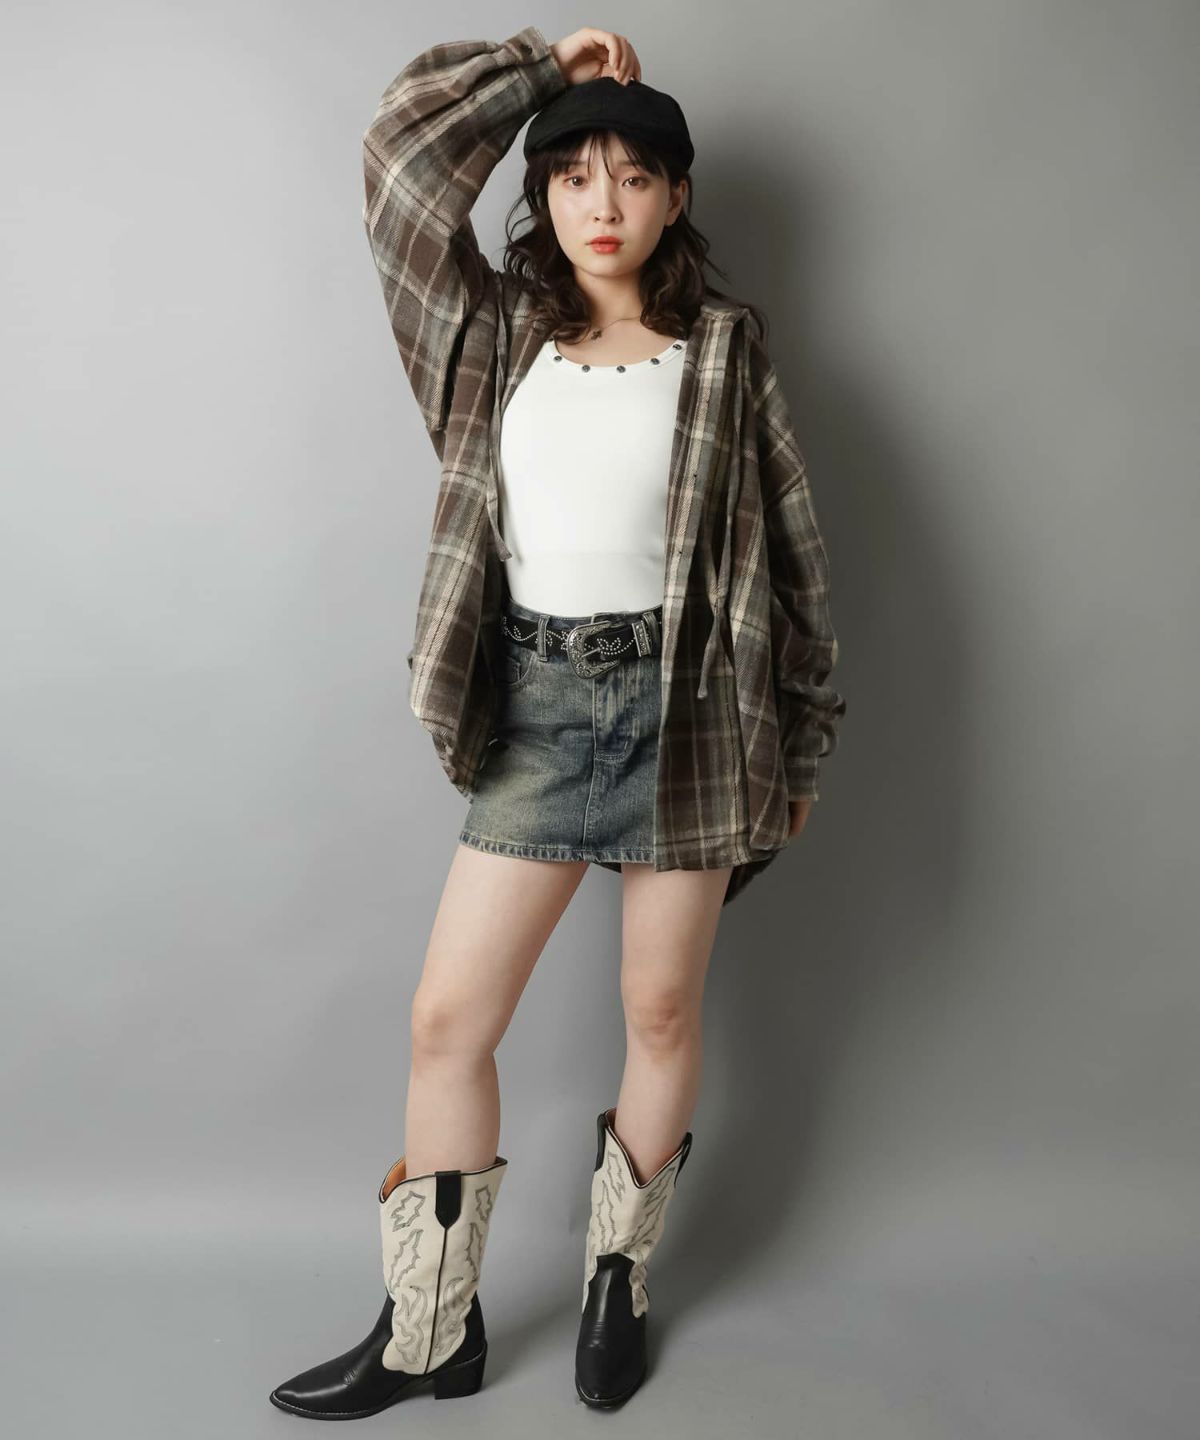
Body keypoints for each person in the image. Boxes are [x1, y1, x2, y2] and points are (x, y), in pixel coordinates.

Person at [269, 23, 845, 1420]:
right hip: (537, 709)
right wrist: (541, 67)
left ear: (675, 198)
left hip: (690, 714)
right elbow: (401, 164)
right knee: (448, 1020)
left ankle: (615, 1285)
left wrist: (807, 739)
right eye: (574, 175)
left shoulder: (725, 352)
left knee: (662, 1008)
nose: (603, 203)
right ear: (540, 194)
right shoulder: (484, 337)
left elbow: (793, 558)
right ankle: (431, 1333)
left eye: (633, 177)